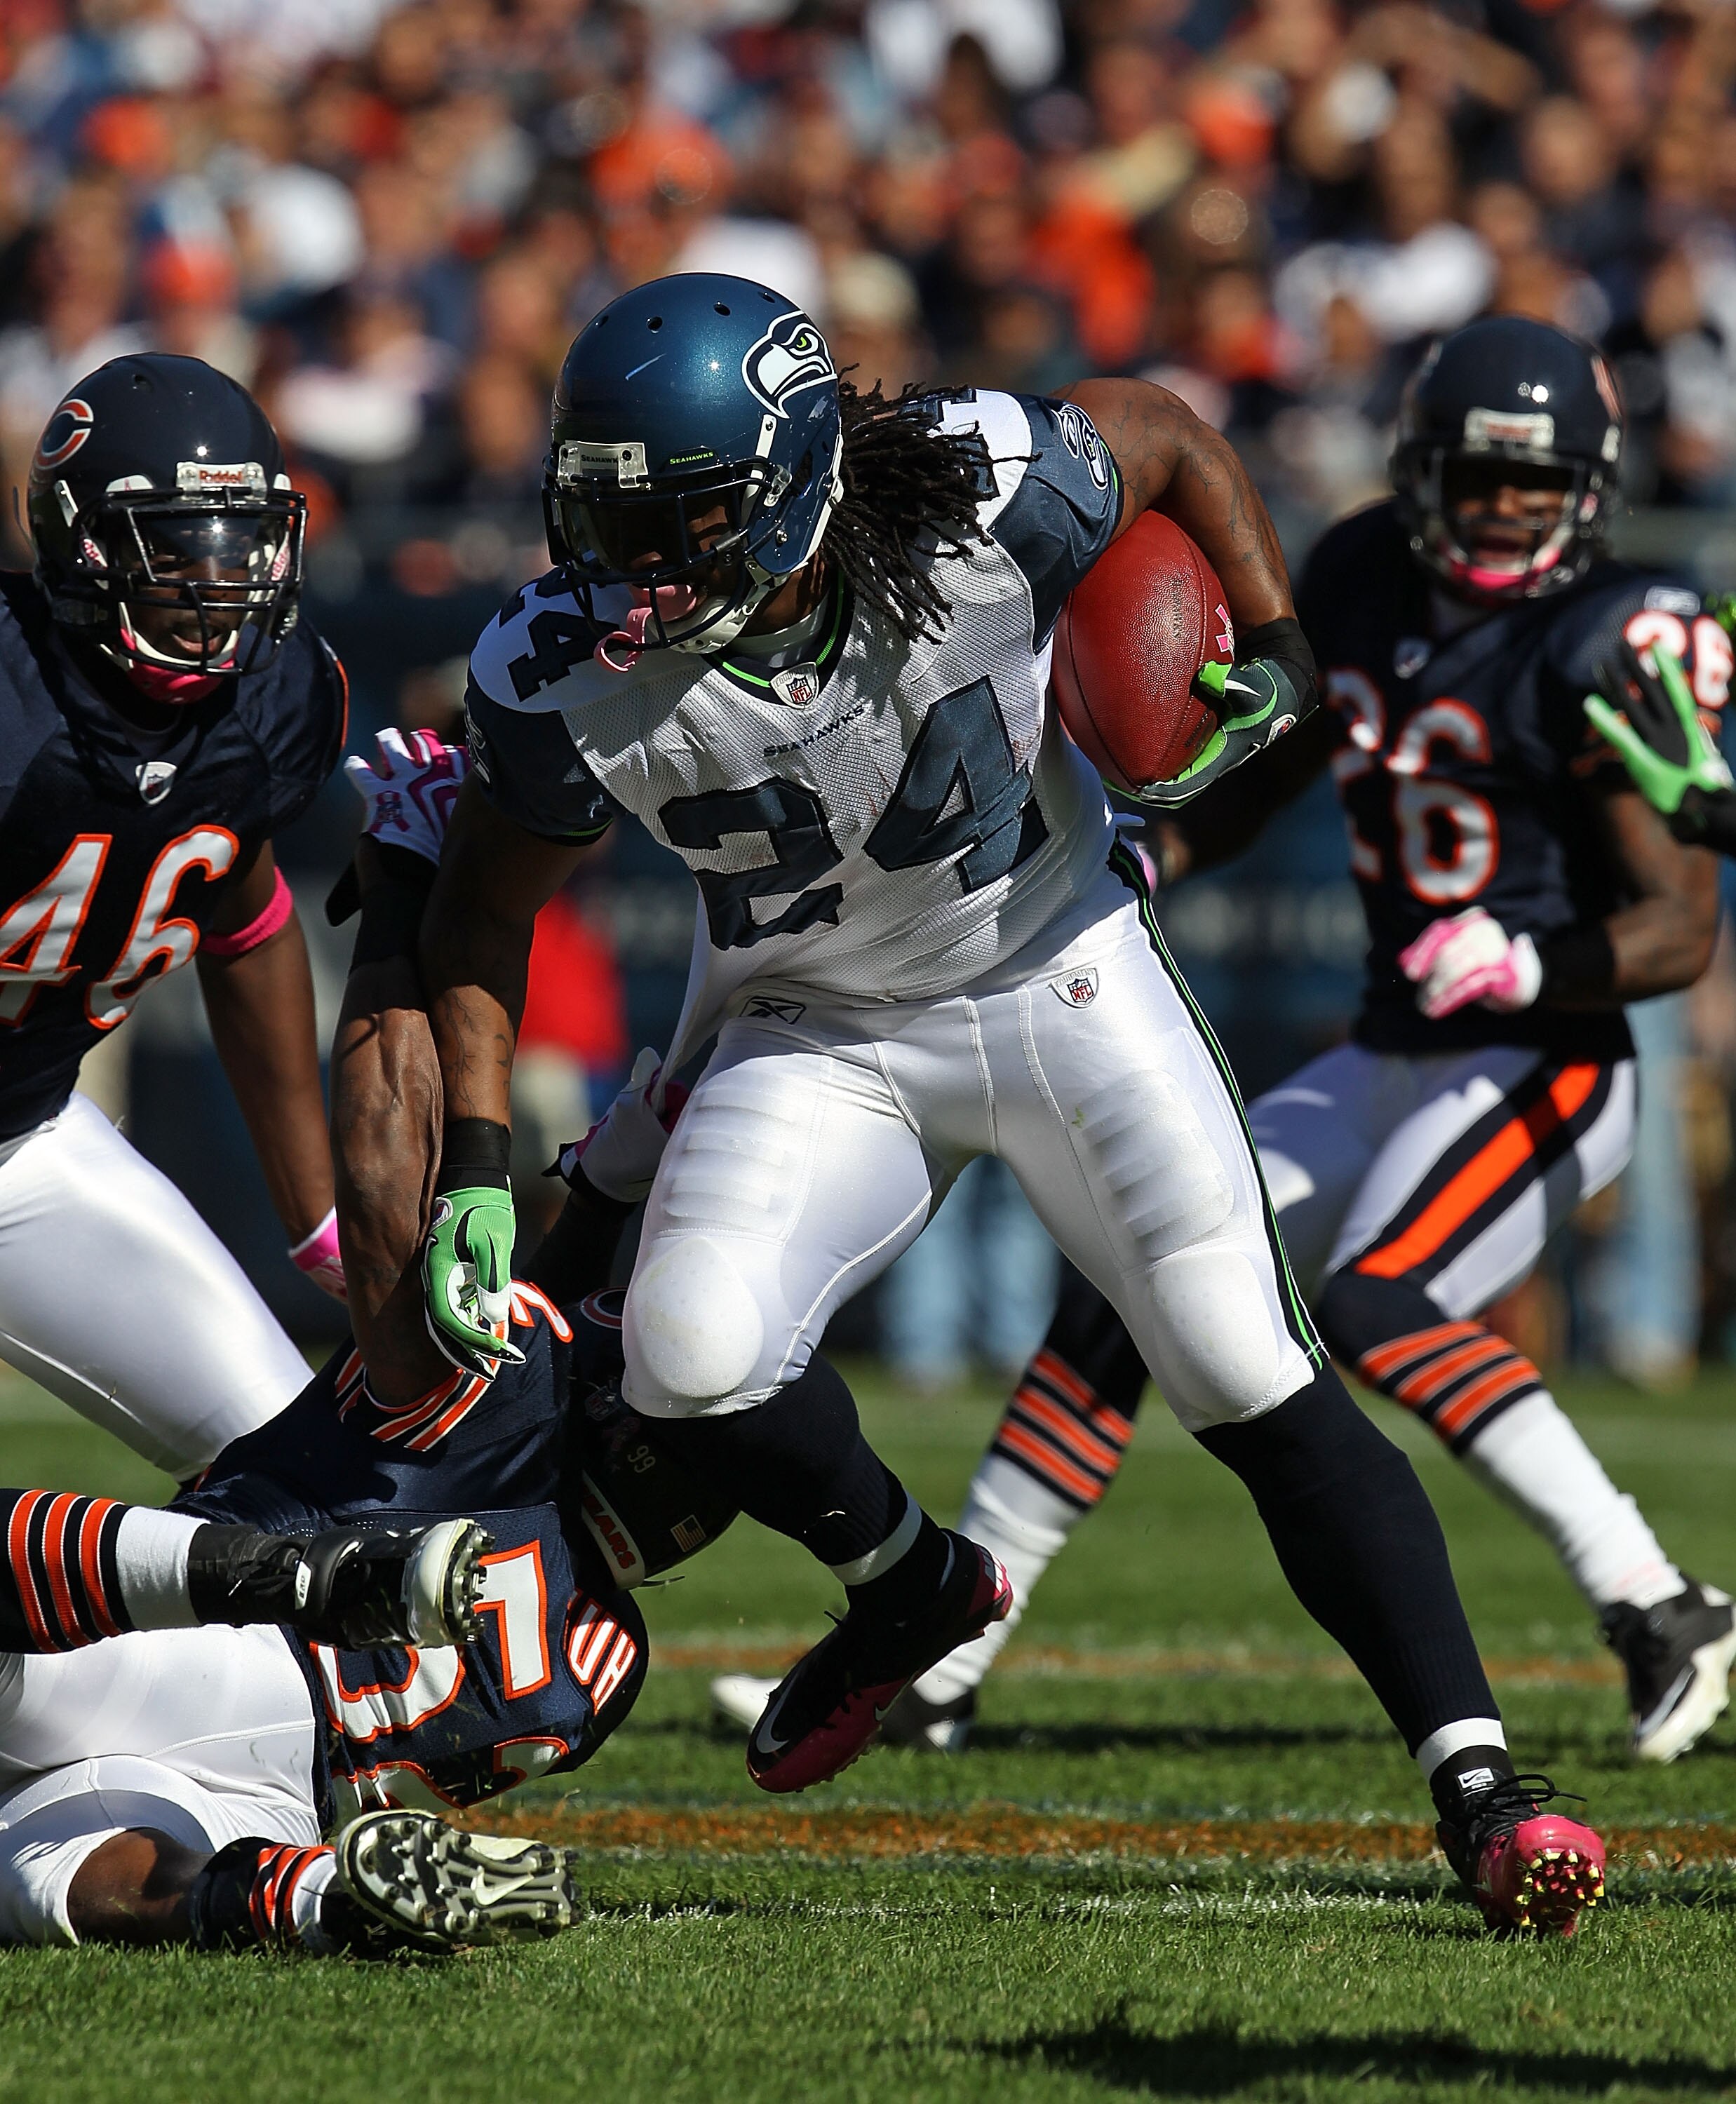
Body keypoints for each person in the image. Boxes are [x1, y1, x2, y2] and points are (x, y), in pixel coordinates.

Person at [418, 276, 1610, 1934]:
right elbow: (478, 911)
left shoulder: (979, 480)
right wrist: (478, 1163)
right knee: (682, 1356)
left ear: (790, 482)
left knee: (1237, 1364)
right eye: (604, 517)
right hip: (815, 1023)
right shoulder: (558, 662)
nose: (632, 569)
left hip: (1058, 968)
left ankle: (1480, 1786)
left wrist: (1273, 649)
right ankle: (913, 1585)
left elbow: (1173, 434)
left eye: (677, 521)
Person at [841, 316, 1733, 1771]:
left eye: (1531, 480)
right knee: (1129, 1282)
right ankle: (950, 1654)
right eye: (1475, 476)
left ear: (1586, 483)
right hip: (1394, 1043)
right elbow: (1284, 763)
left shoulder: (1610, 626)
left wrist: (1531, 955)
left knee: (1381, 1302)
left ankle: (1655, 1601)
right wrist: (1162, 849)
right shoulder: (1364, 571)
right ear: (1417, 467)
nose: (1501, 506)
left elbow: (1675, 925)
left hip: (1544, 1061)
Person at [0, 734, 728, 1956]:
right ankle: (308, 1896)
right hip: (292, 1770)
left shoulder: (504, 1410)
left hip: (211, 1643)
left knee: (40, 1804)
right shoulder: (605, 1669)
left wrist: (399, 866)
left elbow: (391, 1156)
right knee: (55, 1873)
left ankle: (302, 1585)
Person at [0, 351, 349, 1481]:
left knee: (315, 1489)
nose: (217, 579)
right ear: (81, 543)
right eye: (176, 545)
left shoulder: (273, 706)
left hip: (25, 1146)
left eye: (240, 537)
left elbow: (244, 920)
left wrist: (316, 1219)